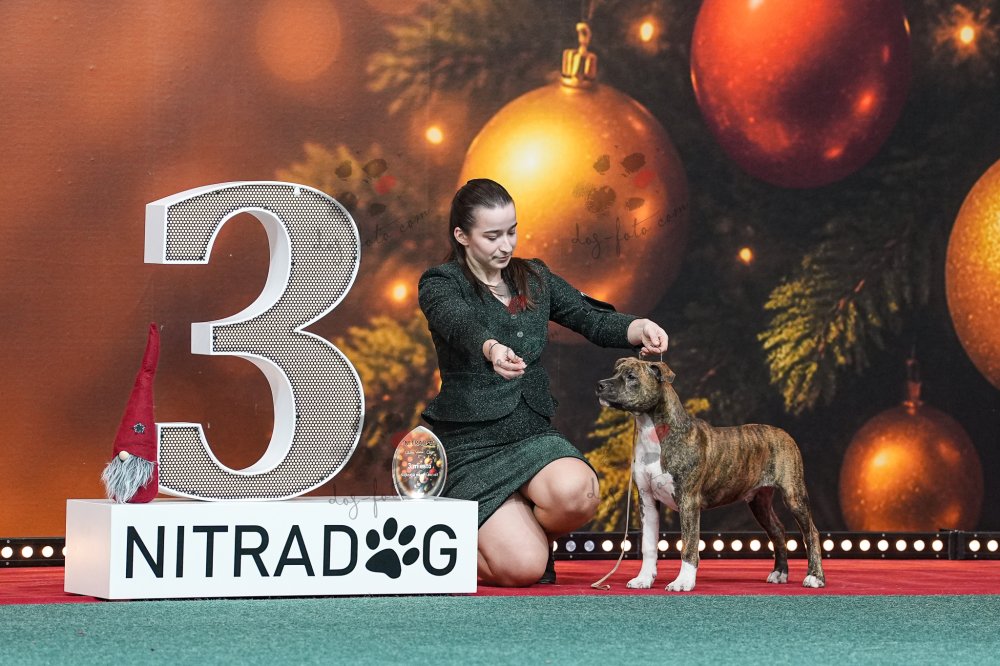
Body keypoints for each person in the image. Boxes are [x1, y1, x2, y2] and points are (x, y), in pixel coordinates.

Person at [418, 178, 669, 586]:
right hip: (471, 445)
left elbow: (590, 318)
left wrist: (638, 328)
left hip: (530, 434)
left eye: (512, 231)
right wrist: (491, 349)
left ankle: (517, 530)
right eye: (492, 236)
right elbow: (458, 323)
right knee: (524, 570)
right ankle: (445, 537)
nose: (506, 245)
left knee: (580, 493)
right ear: (462, 236)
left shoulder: (534, 277)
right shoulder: (441, 283)